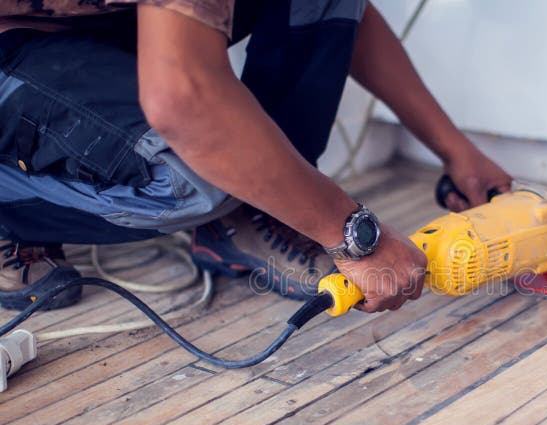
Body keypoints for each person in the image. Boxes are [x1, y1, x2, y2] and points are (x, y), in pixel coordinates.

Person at [0, 0, 511, 314]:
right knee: (194, 169)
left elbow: (340, 13)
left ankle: (252, 213)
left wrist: (456, 150)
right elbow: (182, 101)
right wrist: (356, 236)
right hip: (13, 43)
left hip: (92, 26)